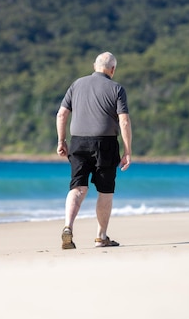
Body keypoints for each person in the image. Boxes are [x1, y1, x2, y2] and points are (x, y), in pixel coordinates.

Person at [56, 51, 132, 249]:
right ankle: (101, 236)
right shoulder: (117, 88)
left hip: (78, 142)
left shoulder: (76, 84)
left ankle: (68, 227)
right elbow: (123, 120)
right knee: (105, 192)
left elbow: (61, 114)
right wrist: (128, 151)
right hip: (105, 143)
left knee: (78, 188)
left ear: (94, 65)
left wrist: (61, 141)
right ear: (113, 69)